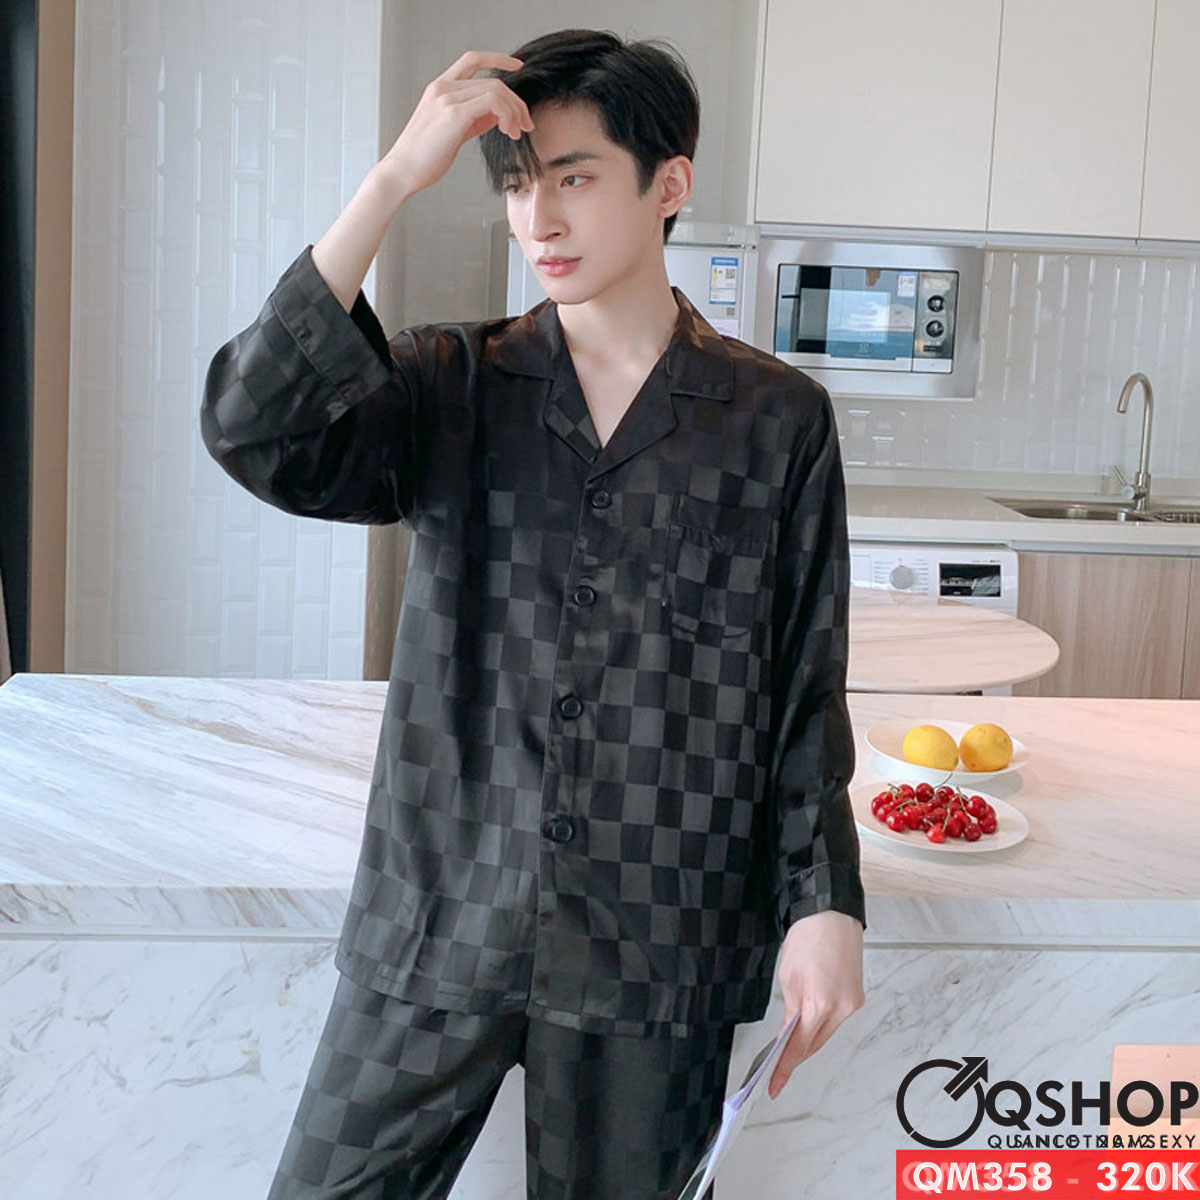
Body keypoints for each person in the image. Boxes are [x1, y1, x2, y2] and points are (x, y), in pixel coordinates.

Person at [200, 27, 867, 1200]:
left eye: (573, 177)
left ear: (669, 184)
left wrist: (824, 906)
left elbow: (802, 690)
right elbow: (256, 429)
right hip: (440, 912)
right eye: (518, 183)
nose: (538, 218)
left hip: (659, 941)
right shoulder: (450, 383)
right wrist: (392, 179)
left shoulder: (776, 423)